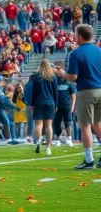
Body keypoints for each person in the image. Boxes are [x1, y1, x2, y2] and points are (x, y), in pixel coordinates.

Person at [55, 24, 101, 169]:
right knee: (98, 123)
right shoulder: (99, 50)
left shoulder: (75, 54)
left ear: (79, 36)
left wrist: (61, 73)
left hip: (86, 91)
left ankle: (89, 160)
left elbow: (73, 77)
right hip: (100, 89)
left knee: (85, 125)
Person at [28, 58, 58, 155]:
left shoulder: (36, 76)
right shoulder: (52, 76)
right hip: (50, 101)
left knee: (38, 124)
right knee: (48, 125)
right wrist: (56, 104)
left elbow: (34, 91)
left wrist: (32, 103)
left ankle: (38, 142)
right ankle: (48, 147)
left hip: (38, 101)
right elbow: (55, 92)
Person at [53, 75, 75, 148]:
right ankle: (58, 138)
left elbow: (73, 96)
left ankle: (69, 138)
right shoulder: (55, 83)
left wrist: (72, 107)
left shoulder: (69, 84)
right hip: (57, 107)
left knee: (67, 122)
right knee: (57, 123)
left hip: (67, 106)